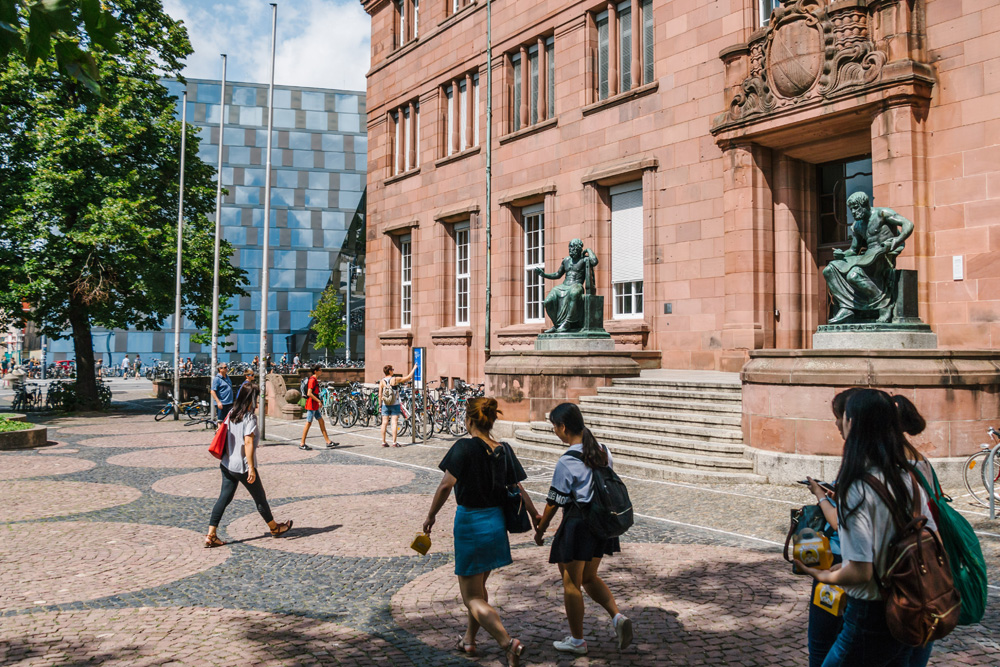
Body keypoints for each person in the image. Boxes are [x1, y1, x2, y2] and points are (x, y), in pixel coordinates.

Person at [795, 389, 938, 667]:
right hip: (906, 603)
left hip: (869, 615)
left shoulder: (858, 486)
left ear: (854, 422)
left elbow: (860, 572)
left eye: (842, 416)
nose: (838, 423)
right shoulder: (908, 476)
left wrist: (822, 575)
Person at [422, 397, 536, 666]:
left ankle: (508, 643)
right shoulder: (503, 449)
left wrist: (431, 516)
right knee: (479, 588)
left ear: (469, 420)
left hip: (471, 523)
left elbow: (445, 486)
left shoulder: (464, 447)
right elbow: (517, 488)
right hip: (496, 523)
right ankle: (469, 641)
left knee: (471, 597)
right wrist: (535, 514)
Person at [532, 403, 632, 655]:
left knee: (572, 584)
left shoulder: (566, 461)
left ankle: (577, 641)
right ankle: (617, 617)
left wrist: (540, 530)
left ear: (563, 427)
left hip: (578, 526)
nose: (555, 431)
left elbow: (555, 502)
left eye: (554, 427)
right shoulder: (603, 451)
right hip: (601, 525)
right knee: (589, 577)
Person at [205, 381, 292, 548]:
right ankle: (274, 528)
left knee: (224, 498)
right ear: (251, 398)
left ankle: (211, 534)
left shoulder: (231, 412)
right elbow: (249, 443)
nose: (258, 401)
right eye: (257, 397)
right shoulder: (249, 417)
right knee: (260, 497)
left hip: (227, 463)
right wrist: (251, 467)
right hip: (241, 466)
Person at [822, 192, 914, 324]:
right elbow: (853, 250)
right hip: (868, 256)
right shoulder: (857, 225)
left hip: (884, 253)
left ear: (865, 205)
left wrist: (896, 241)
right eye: (851, 209)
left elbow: (908, 224)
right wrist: (842, 254)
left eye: (856, 207)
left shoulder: (882, 213)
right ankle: (847, 307)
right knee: (829, 270)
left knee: (854, 275)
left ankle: (884, 305)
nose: (853, 212)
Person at [534, 239, 599, 333]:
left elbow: (594, 261)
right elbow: (557, 274)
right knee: (548, 301)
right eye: (570, 247)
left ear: (578, 249)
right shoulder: (566, 260)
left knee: (574, 293)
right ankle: (557, 325)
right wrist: (544, 275)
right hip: (563, 286)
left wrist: (588, 250)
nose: (570, 250)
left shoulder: (584, 260)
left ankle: (567, 322)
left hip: (576, 285)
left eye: (573, 248)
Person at [300, 364, 336, 450]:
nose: (321, 371)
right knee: (308, 423)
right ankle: (302, 443)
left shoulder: (315, 379)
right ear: (315, 371)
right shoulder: (312, 380)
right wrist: (318, 401)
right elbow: (309, 393)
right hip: (311, 405)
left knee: (321, 421)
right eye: (320, 369)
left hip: (314, 406)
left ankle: (328, 442)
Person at [379, 363, 416, 447]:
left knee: (384, 422)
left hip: (385, 404)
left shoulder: (382, 381)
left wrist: (380, 406)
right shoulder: (395, 379)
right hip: (395, 403)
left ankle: (383, 442)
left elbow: (380, 395)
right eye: (392, 369)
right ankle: (394, 442)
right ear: (389, 371)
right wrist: (414, 368)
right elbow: (408, 378)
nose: (393, 371)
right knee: (394, 422)